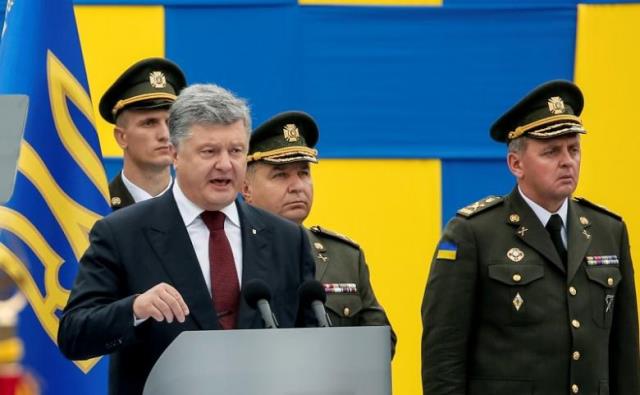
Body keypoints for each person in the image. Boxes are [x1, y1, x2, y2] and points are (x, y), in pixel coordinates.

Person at [58, 85, 315, 395]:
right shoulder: (122, 233)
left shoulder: (288, 240)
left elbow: (310, 345)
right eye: (209, 152)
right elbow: (74, 334)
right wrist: (135, 309)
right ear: (175, 154)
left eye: (235, 151)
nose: (225, 164)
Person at [421, 80, 640, 395]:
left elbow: (624, 351)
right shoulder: (474, 232)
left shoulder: (608, 230)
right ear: (516, 163)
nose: (567, 161)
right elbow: (444, 354)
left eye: (573, 149)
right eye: (551, 151)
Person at [242, 111, 396, 355]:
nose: (297, 187)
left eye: (304, 173)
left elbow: (381, 342)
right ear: (246, 188)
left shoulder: (344, 256)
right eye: (280, 175)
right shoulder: (230, 252)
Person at [98, 57, 186, 210]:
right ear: (121, 137)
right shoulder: (97, 210)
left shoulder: (200, 211)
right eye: (149, 123)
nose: (165, 135)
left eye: (170, 123)